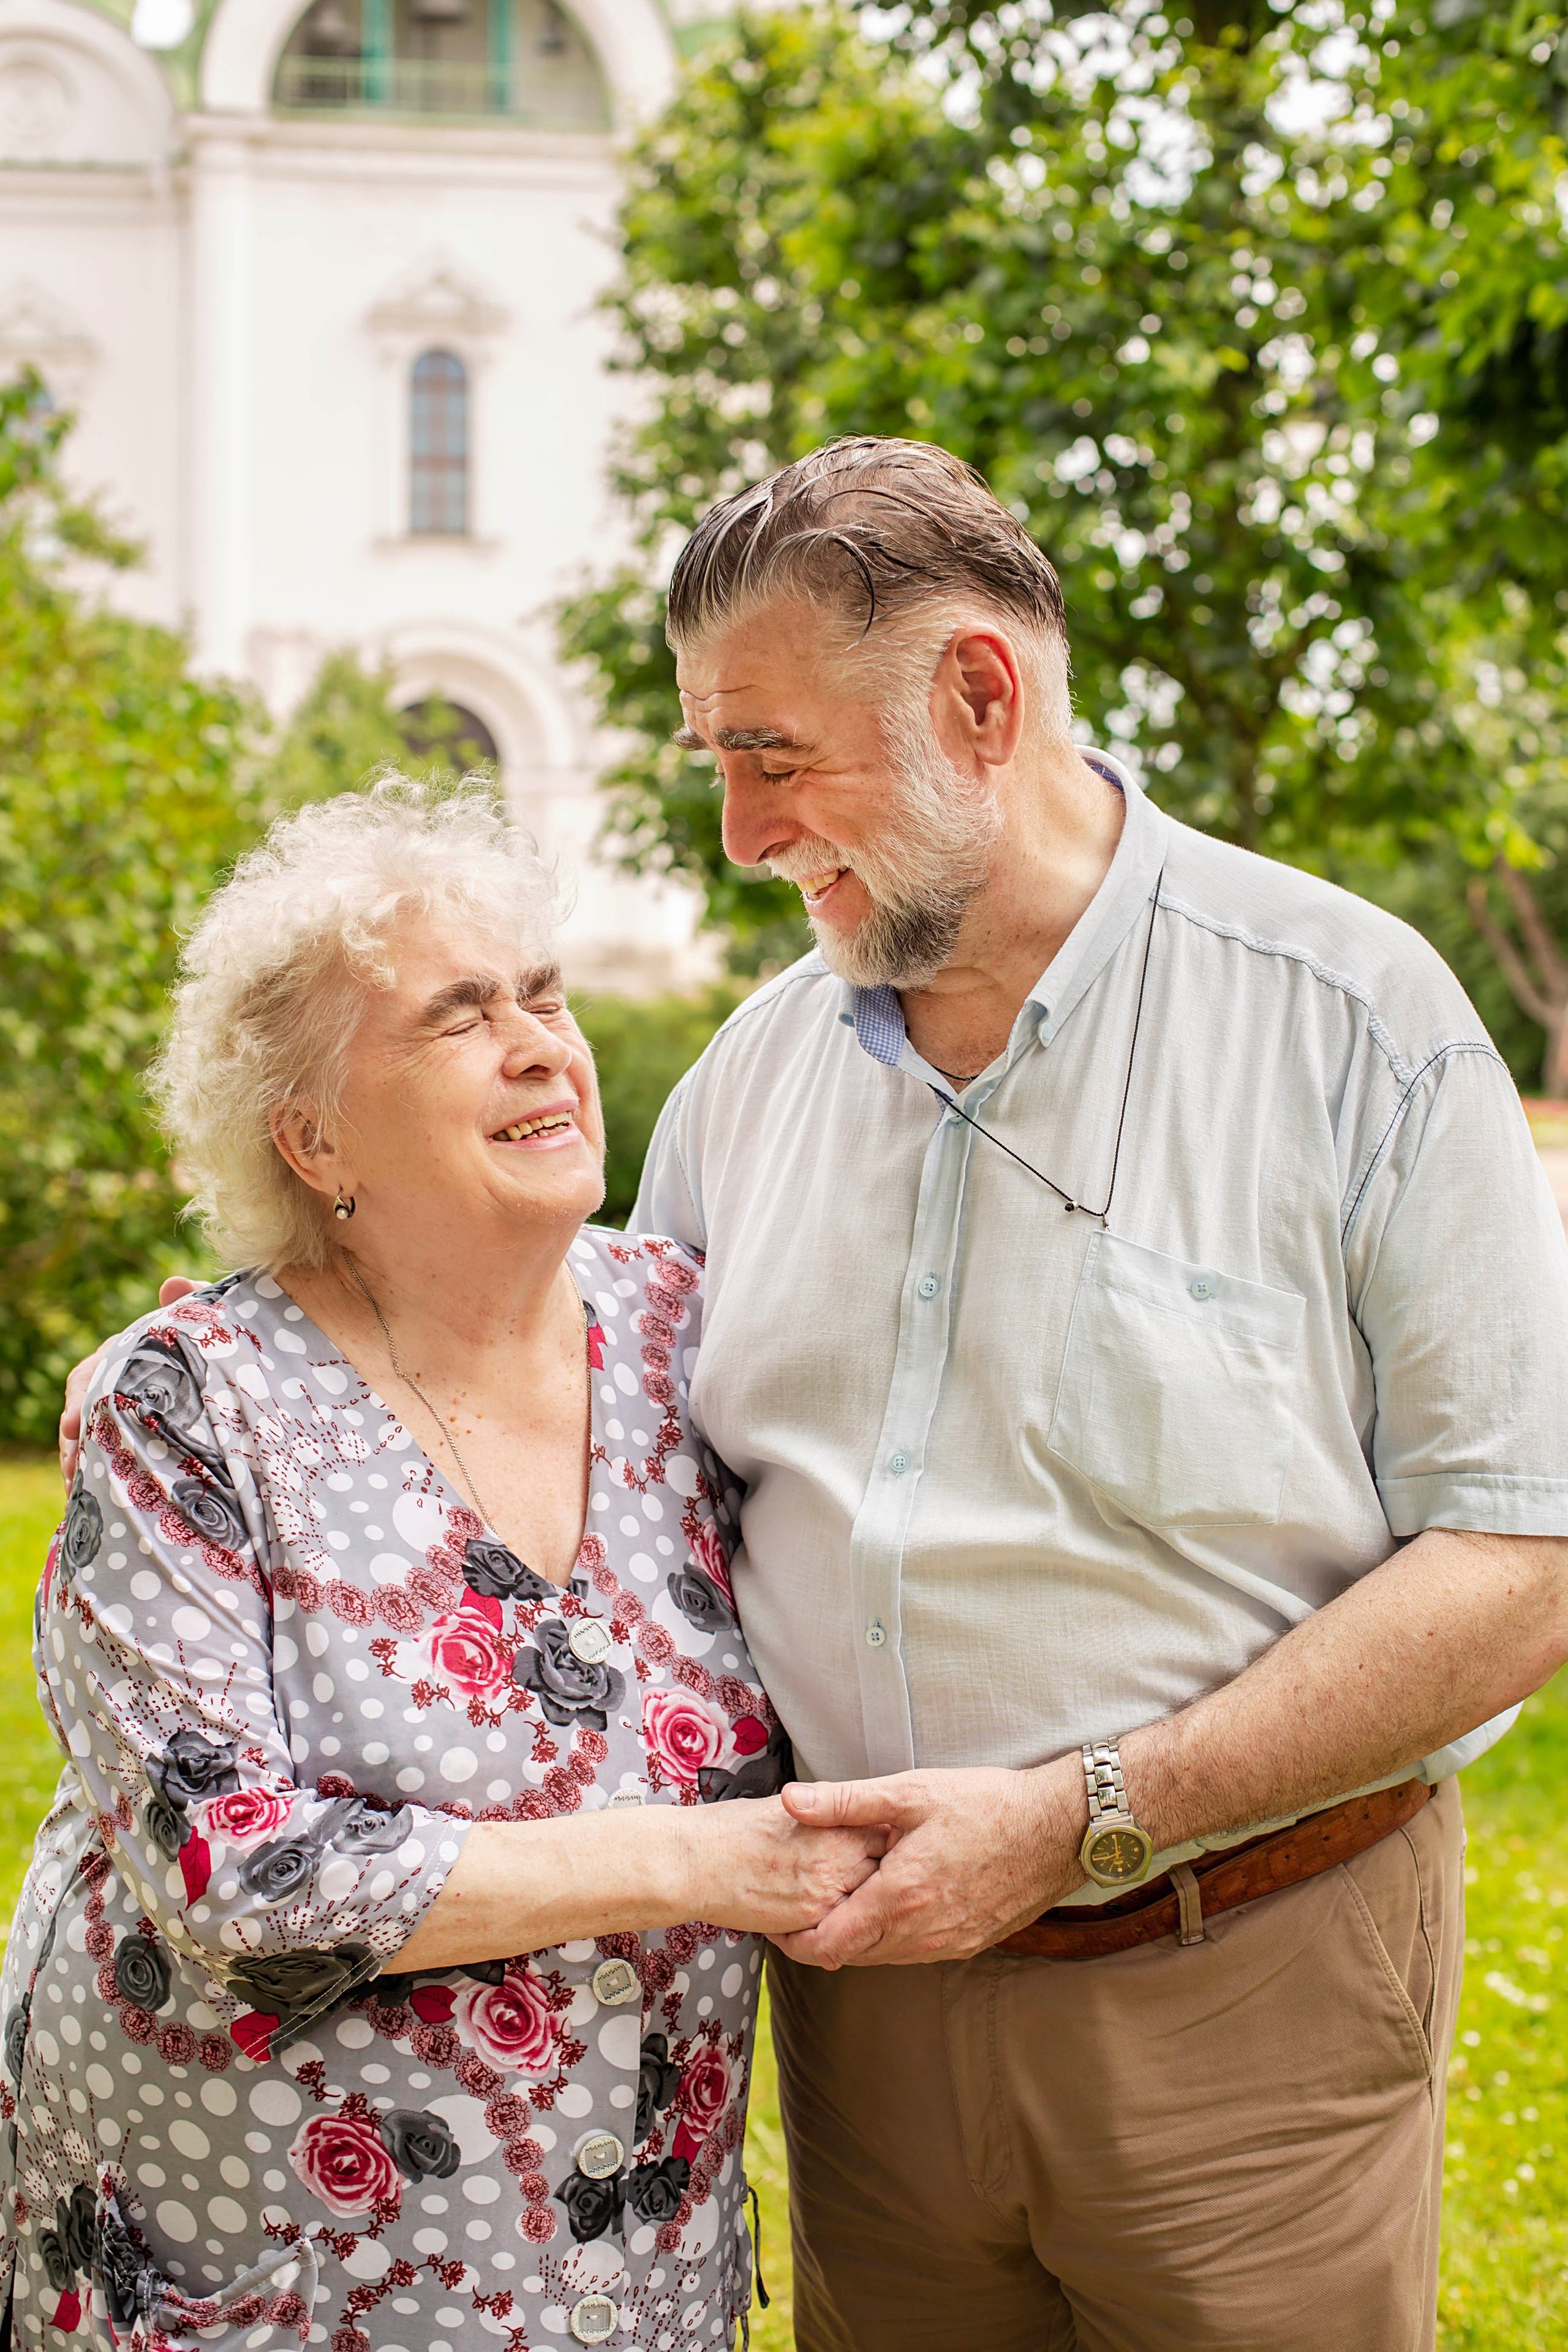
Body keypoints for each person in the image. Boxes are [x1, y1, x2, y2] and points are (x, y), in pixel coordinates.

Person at [625, 439, 1568, 2351]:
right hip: (863, 2011)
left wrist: (1083, 1819)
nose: (737, 835)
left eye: (772, 756)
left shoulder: (1351, 1022)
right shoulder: (745, 1079)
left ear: (982, 698)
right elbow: (613, 1487)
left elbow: (1517, 1556)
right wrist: (254, 1380)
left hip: (1247, 1995)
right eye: (713, 758)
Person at [17, 781, 880, 2352]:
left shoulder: (690, 1332)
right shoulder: (189, 1400)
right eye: (459, 1016)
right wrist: (708, 1862)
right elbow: (239, 1875)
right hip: (259, 2279)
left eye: (544, 996)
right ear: (314, 1134)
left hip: (630, 2276)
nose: (543, 1042)